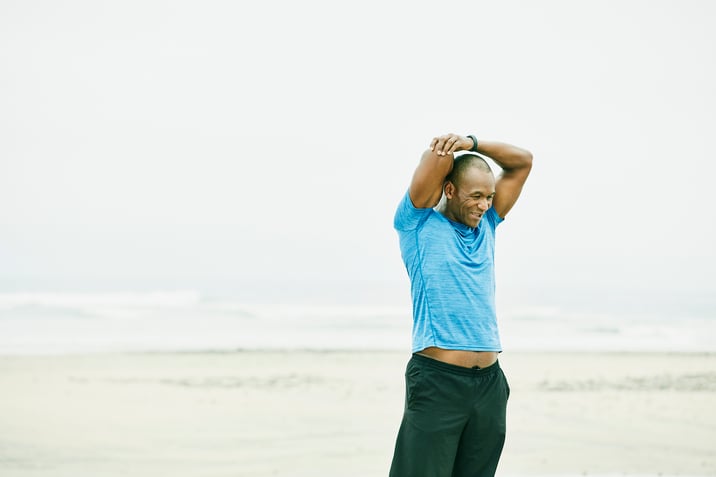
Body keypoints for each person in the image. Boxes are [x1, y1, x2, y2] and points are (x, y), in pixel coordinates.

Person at [390, 133, 533, 477]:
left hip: (489, 385)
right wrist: (449, 146)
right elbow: (435, 159)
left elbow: (522, 161)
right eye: (476, 196)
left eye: (489, 197)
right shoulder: (418, 223)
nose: (484, 205)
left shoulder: (487, 225)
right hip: (439, 381)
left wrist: (472, 141)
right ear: (449, 190)